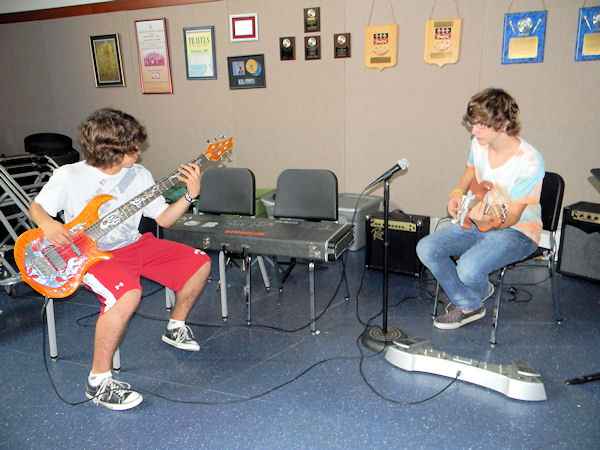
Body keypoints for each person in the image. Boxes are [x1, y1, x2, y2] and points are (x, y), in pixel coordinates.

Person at [29, 108, 212, 410]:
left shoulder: (139, 175)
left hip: (134, 245)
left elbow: (164, 219)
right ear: (109, 152)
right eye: (132, 150)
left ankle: (175, 326)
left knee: (199, 262)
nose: (138, 154)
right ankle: (98, 381)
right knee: (127, 295)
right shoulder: (69, 176)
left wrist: (190, 195)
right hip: (89, 255)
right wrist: (48, 224)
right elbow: (37, 208)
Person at [416, 88, 544, 330]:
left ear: (504, 123)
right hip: (483, 221)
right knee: (427, 248)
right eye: (472, 124)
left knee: (467, 269)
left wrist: (489, 220)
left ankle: (469, 297)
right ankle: (471, 301)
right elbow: (471, 169)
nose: (474, 131)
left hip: (518, 231)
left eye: (481, 125)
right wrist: (457, 193)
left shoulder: (530, 161)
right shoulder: (479, 143)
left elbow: (511, 216)